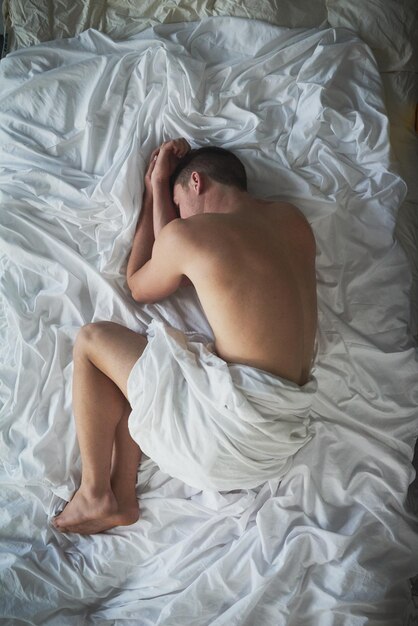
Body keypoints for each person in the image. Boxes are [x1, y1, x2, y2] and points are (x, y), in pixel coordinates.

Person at [52, 138, 317, 534]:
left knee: (92, 341)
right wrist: (169, 200)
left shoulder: (193, 235)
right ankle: (122, 496)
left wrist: (155, 186)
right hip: (277, 443)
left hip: (226, 436)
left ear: (197, 182)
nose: (176, 216)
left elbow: (140, 284)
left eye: (179, 205)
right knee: (155, 367)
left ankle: (94, 491)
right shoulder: (293, 222)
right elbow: (181, 244)